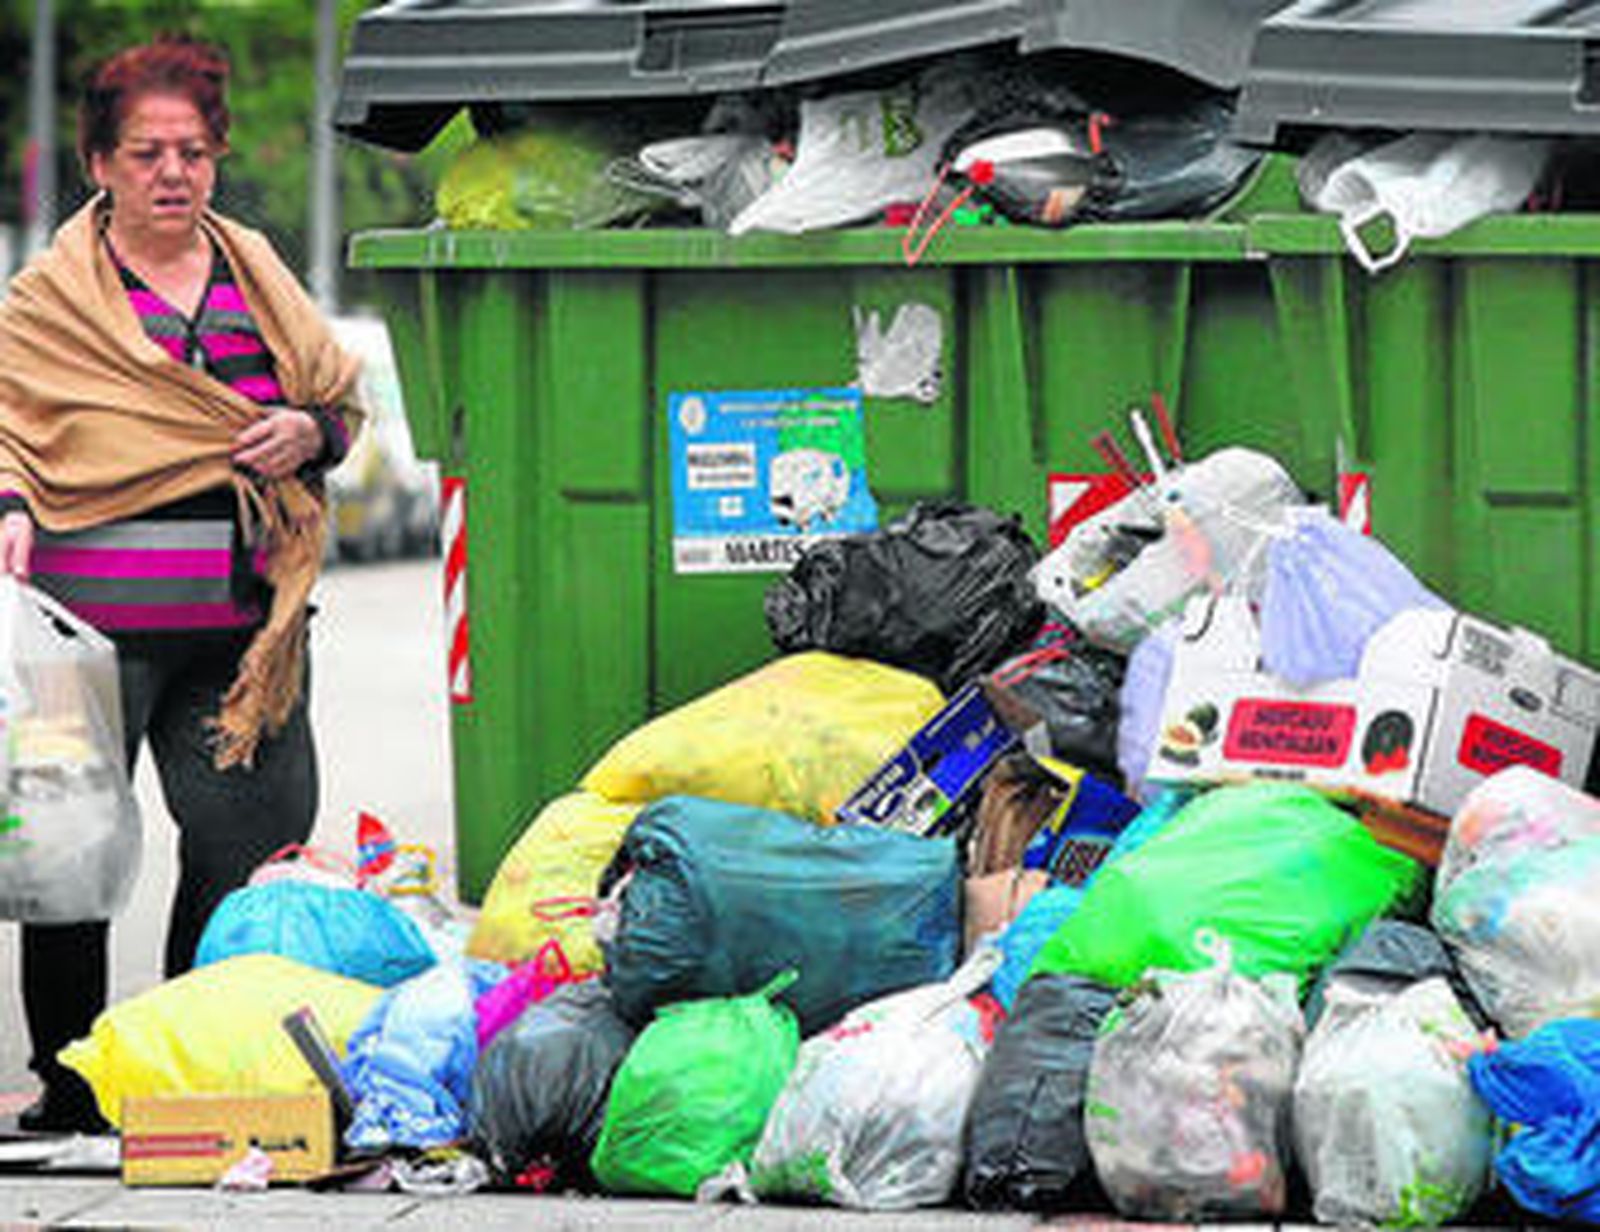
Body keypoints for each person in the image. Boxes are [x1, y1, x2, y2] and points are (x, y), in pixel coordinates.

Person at [0, 35, 364, 1132]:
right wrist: (9, 507)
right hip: (77, 635)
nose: (173, 173)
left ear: (216, 160)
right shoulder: (48, 299)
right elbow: (9, 428)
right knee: (67, 862)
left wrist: (309, 431)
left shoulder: (257, 271)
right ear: (99, 163)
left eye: (193, 153)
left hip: (241, 632)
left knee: (244, 847)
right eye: (147, 153)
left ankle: (182, 1067)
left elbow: (335, 406)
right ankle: (72, 1084)